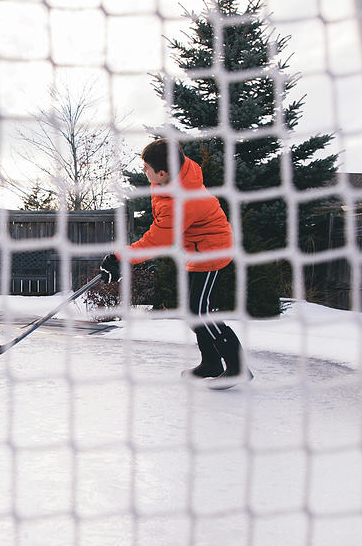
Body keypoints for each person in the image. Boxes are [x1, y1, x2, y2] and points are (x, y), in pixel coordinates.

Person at [99, 138, 251, 389]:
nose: (144, 171)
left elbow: (157, 241)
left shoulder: (183, 200)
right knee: (194, 311)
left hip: (212, 250)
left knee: (199, 312)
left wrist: (119, 258)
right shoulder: (172, 179)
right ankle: (211, 363)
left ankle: (237, 368)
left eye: (147, 167)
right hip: (198, 248)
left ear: (163, 172)